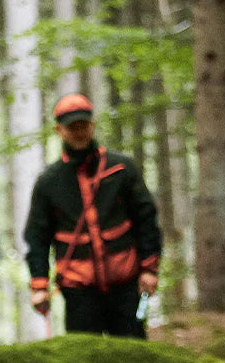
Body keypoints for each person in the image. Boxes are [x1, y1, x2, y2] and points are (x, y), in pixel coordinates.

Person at [25, 93, 163, 337]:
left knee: (132, 355)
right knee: (83, 361)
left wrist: (149, 269)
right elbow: (37, 237)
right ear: (59, 130)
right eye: (72, 127)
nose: (79, 132)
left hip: (125, 284)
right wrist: (39, 285)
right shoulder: (49, 182)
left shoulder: (122, 168)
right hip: (78, 291)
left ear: (92, 124)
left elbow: (146, 219)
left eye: (84, 125)